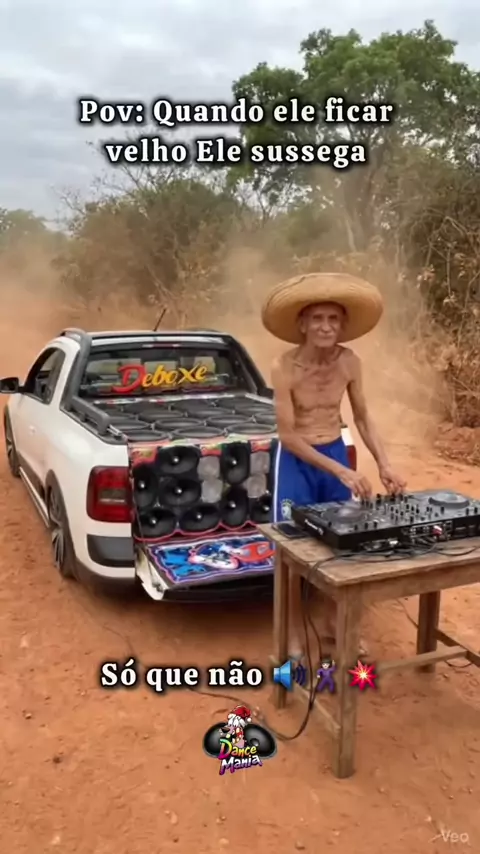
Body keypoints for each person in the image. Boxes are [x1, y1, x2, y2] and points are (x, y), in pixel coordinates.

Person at [261, 272, 406, 660]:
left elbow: (362, 416)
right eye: (318, 319)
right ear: (303, 325)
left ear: (342, 326)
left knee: (341, 543)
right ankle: (293, 630)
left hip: (334, 451)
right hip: (296, 461)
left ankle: (329, 622)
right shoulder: (284, 367)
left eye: (334, 320)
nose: (326, 327)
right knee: (291, 549)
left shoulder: (350, 362)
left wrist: (384, 464)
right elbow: (288, 435)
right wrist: (341, 471)